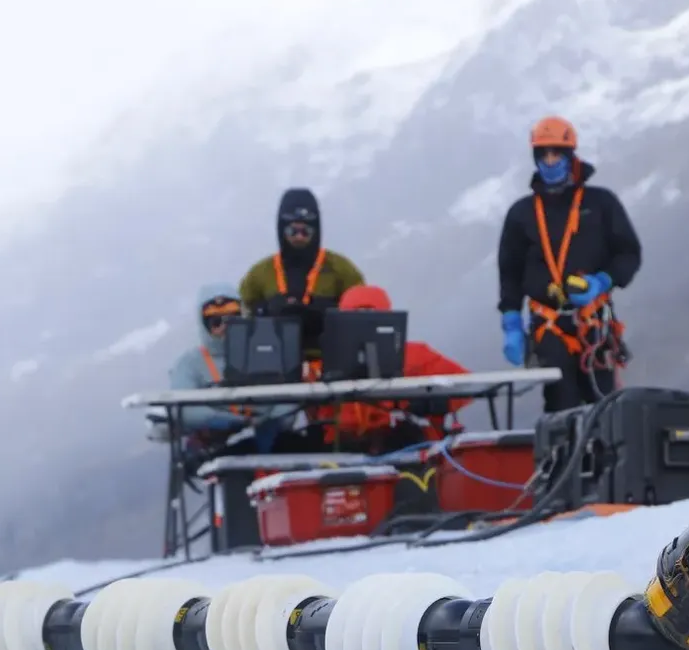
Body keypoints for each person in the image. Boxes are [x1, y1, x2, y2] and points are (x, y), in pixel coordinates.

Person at [496, 115, 642, 412]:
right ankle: (562, 458)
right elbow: (509, 270)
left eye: (556, 154)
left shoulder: (600, 203)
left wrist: (603, 280)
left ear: (570, 156)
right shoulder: (522, 214)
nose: (550, 162)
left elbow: (629, 253)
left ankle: (603, 459)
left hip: (594, 323)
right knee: (561, 405)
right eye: (544, 155)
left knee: (604, 408)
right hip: (548, 325)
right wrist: (511, 320)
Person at [319, 285, 472, 453]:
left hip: (410, 448)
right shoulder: (325, 365)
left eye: (371, 314)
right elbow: (313, 410)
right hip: (343, 451)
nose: (364, 322)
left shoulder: (417, 355)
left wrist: (433, 401)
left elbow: (466, 385)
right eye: (356, 315)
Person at [166, 282, 294, 456]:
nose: (225, 327)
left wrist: (268, 420)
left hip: (267, 436)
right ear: (204, 325)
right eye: (216, 321)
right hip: (217, 441)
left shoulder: (266, 352)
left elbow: (289, 395)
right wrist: (226, 421)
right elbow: (183, 408)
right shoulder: (189, 363)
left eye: (233, 319)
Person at [238, 187, 366, 359]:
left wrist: (327, 312)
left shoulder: (341, 269)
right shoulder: (259, 273)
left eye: (306, 231)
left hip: (331, 363)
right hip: (274, 363)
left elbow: (364, 313)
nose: (299, 237)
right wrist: (266, 311)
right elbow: (240, 317)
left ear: (317, 231)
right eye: (292, 231)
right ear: (281, 230)